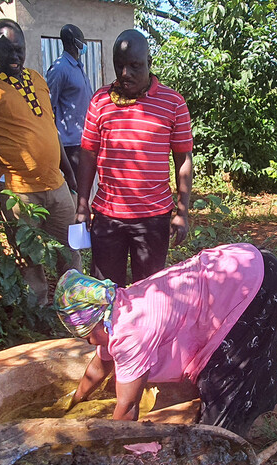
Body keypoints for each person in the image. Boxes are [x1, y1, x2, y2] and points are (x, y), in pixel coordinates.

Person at [55, 243, 277, 436]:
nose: (86, 342)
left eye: (84, 335)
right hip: (239, 263)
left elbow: (128, 406)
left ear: (95, 323)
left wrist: (112, 447)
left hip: (254, 281)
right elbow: (98, 367)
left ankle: (227, 448)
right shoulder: (115, 307)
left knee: (223, 381)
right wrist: (75, 400)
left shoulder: (130, 332)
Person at [0, 19, 83, 306]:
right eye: (7, 50)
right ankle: (37, 314)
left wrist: (71, 178)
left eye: (19, 49)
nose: (15, 56)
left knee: (72, 249)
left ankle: (77, 307)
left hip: (56, 184)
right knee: (29, 258)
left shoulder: (37, 79)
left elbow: (51, 131)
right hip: (16, 190)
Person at [74, 29, 194, 287]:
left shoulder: (173, 103)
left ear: (149, 63)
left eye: (135, 66)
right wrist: (82, 205)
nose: (125, 73)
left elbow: (183, 160)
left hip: (153, 218)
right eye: (120, 66)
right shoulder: (99, 101)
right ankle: (111, 329)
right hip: (107, 216)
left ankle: (146, 330)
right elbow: (88, 155)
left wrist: (182, 211)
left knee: (149, 290)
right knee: (105, 290)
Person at [45, 24, 94, 177]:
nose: (85, 44)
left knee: (87, 185)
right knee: (76, 188)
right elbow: (48, 106)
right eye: (82, 40)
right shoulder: (60, 69)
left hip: (85, 139)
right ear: (75, 42)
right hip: (70, 144)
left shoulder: (77, 66)